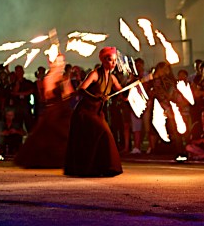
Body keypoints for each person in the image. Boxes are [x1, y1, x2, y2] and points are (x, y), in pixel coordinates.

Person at [64, 47, 123, 177]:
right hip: (85, 112)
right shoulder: (94, 74)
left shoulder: (112, 78)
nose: (113, 63)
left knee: (103, 136)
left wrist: (131, 89)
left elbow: (121, 91)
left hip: (97, 112)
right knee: (103, 133)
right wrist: (96, 97)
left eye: (114, 61)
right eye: (109, 60)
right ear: (103, 60)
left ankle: (103, 168)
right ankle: (96, 168)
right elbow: (81, 89)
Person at [15, 53, 75, 169]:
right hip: (54, 110)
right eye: (58, 61)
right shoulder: (49, 77)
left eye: (62, 61)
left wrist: (66, 83)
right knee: (50, 134)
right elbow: (47, 96)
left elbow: (70, 94)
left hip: (65, 111)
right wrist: (59, 89)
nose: (61, 64)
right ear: (53, 63)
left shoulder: (64, 77)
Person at [146, 61, 187, 161]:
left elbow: (171, 94)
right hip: (158, 107)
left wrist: (166, 102)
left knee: (174, 129)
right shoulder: (156, 80)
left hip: (169, 108)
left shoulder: (169, 81)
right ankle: (155, 149)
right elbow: (152, 93)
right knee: (155, 129)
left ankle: (179, 151)